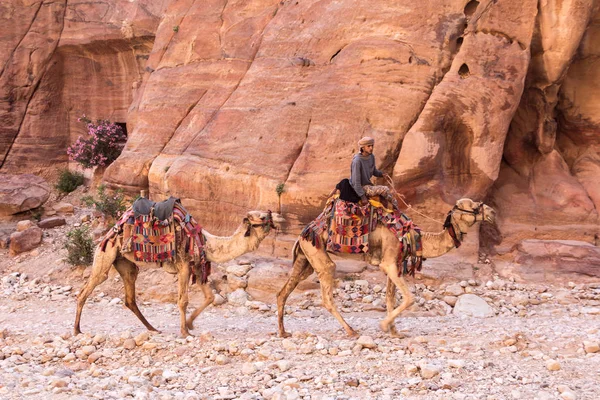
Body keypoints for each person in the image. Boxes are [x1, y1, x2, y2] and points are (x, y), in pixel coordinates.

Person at [349, 136, 399, 209]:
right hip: (360, 187)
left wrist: (381, 174)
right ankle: (396, 209)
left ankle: (393, 209)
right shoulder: (357, 161)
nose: (371, 148)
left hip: (368, 185)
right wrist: (363, 197)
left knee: (384, 194)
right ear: (363, 148)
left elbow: (373, 171)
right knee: (384, 189)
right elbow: (356, 183)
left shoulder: (371, 156)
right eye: (368, 146)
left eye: (372, 146)